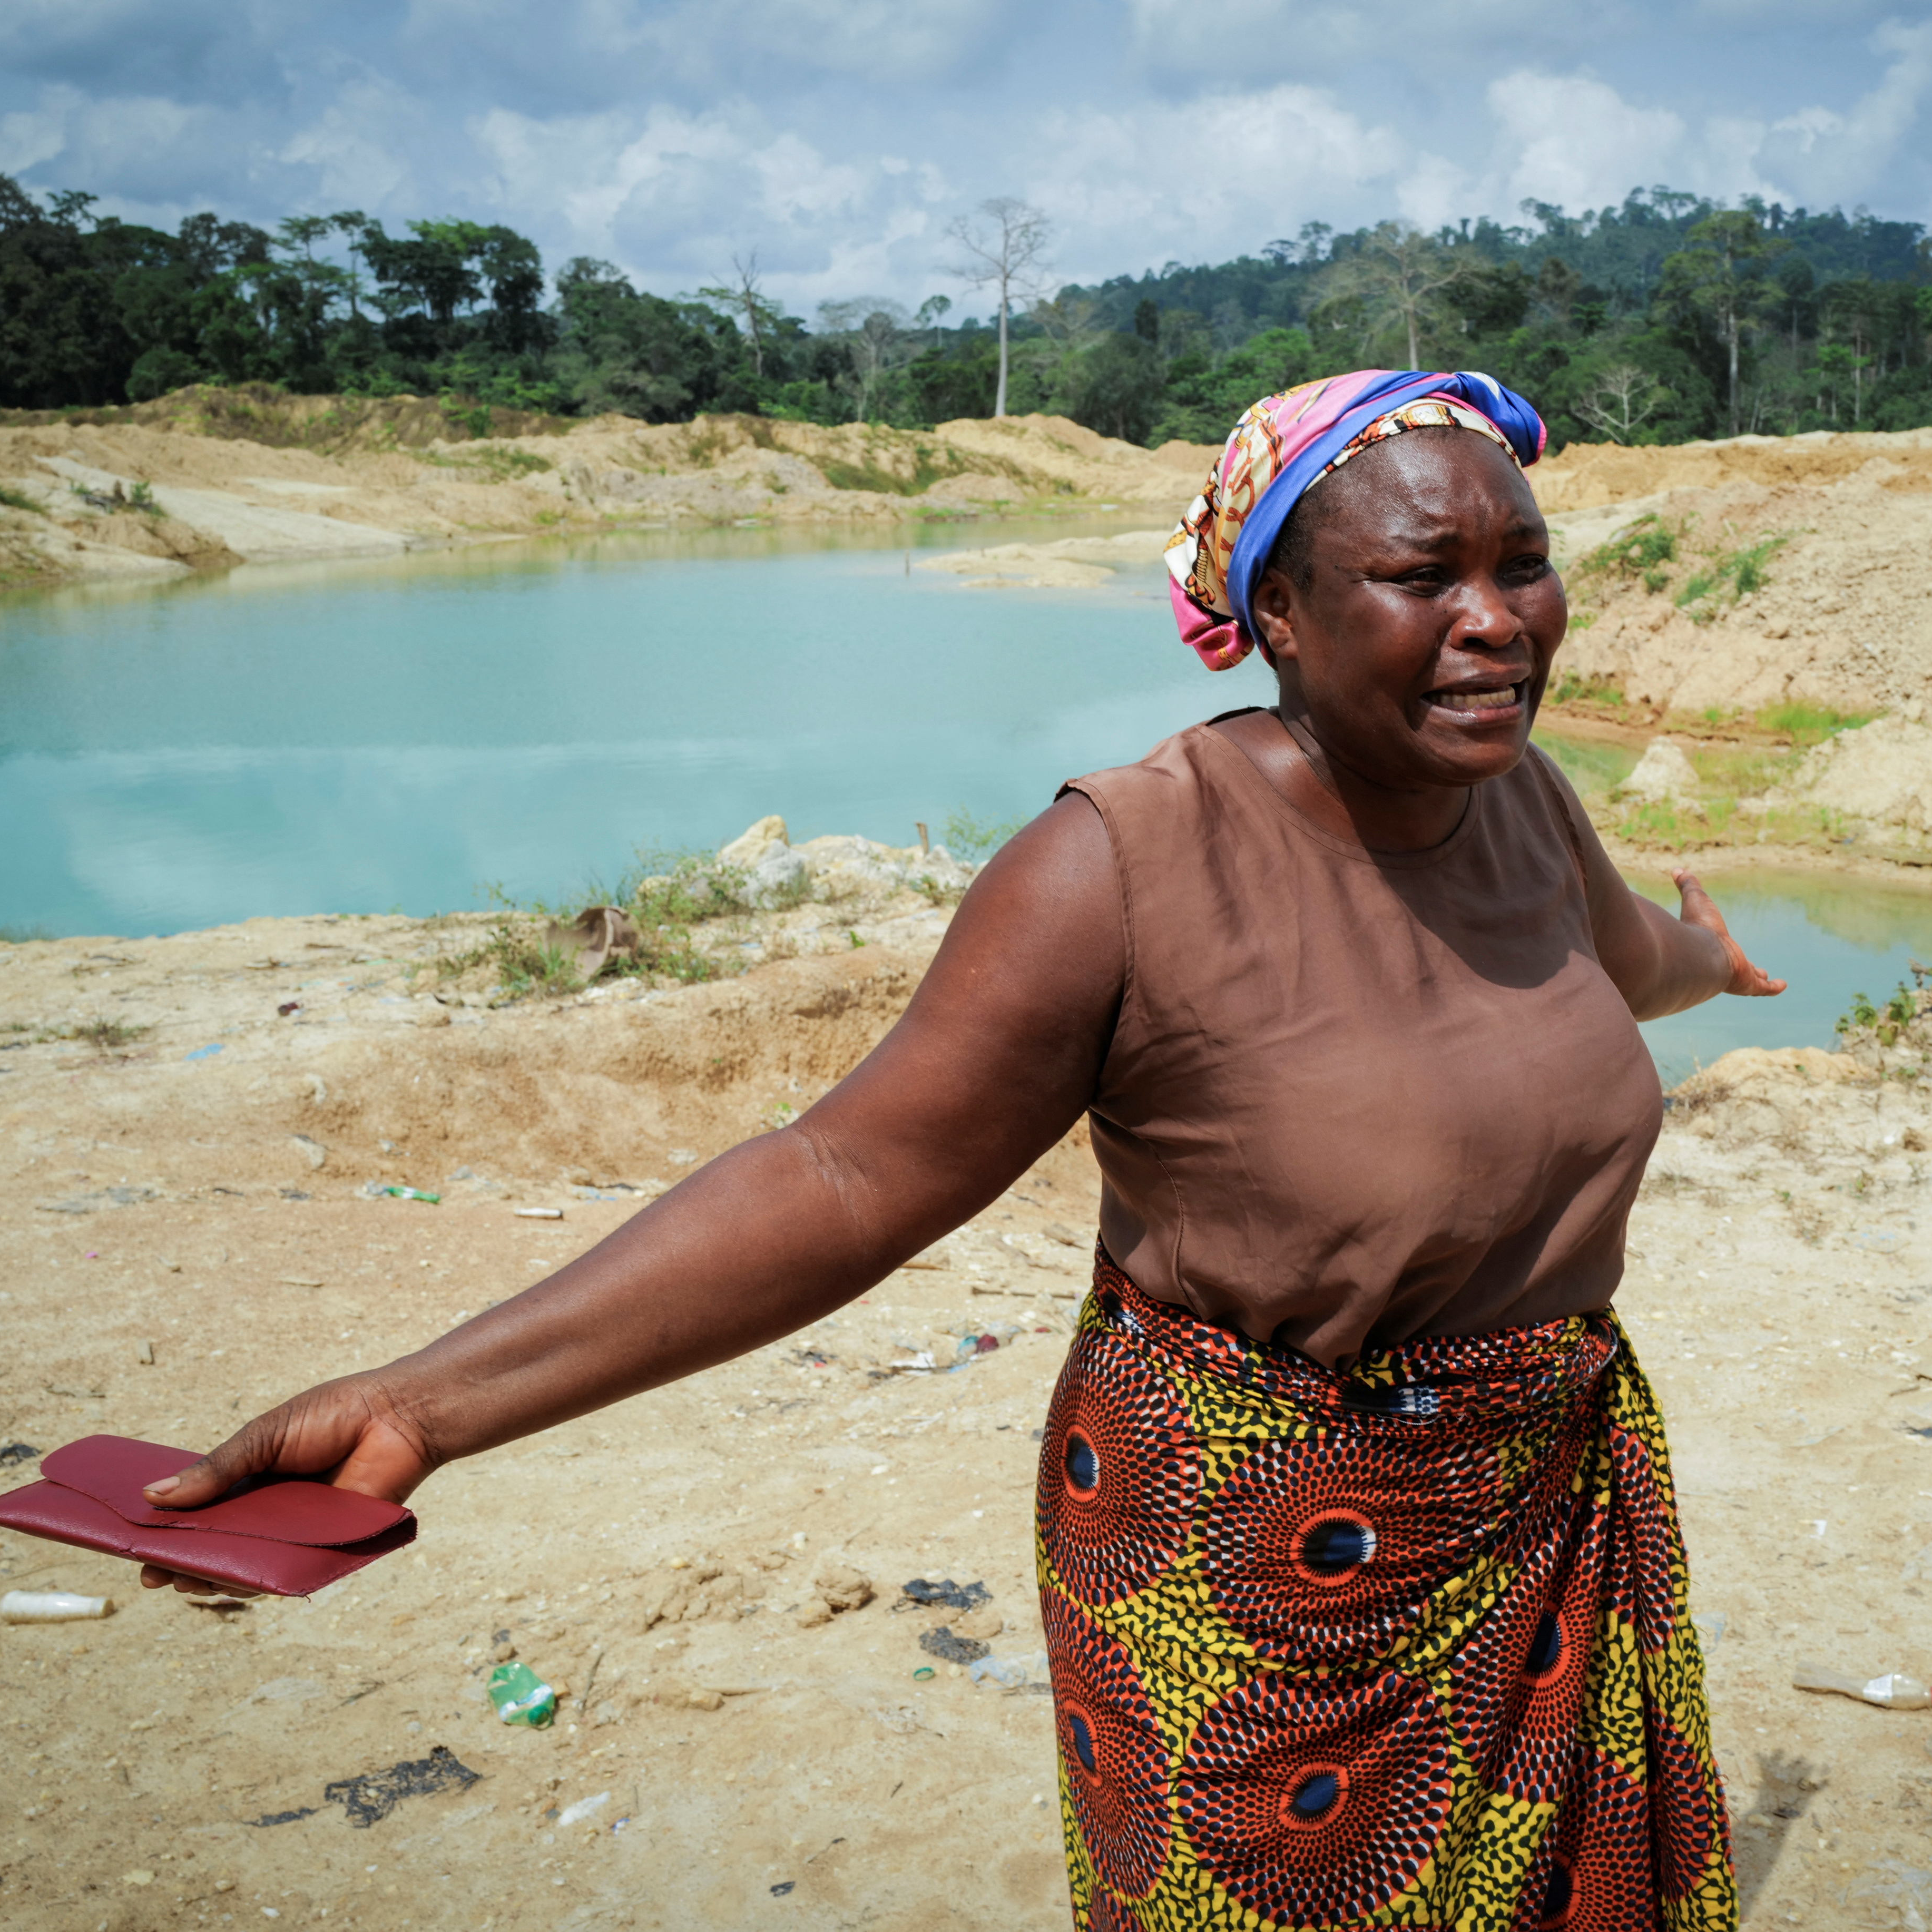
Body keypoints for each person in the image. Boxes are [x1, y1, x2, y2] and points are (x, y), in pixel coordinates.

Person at [139, 368, 1784, 1931]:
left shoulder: (1525, 811)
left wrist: (1711, 957)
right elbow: (843, 1176)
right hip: (1258, 1571)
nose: (1496, 619)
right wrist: (424, 1404)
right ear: (1274, 613)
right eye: (1425, 573)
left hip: (1539, 1503)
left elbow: (1614, 962)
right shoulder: (1119, 870)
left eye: (1525, 562)